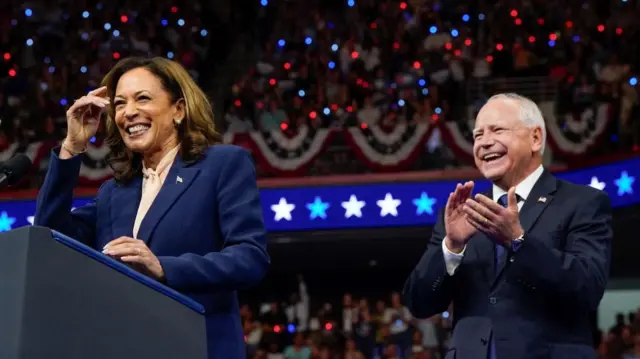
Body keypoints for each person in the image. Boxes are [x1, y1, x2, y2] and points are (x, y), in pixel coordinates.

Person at [34, 57, 270, 359]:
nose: (128, 112)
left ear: (179, 110)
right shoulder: (114, 193)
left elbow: (250, 258)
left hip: (199, 347)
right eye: (119, 104)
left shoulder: (222, 165)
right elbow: (48, 236)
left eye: (142, 98)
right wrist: (72, 147)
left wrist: (164, 268)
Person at [403, 93, 612, 359]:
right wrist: (451, 248)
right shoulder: (461, 213)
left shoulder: (582, 202)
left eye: (497, 130)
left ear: (535, 138)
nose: (484, 142)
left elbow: (587, 289)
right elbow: (419, 303)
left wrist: (518, 241)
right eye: (478, 135)